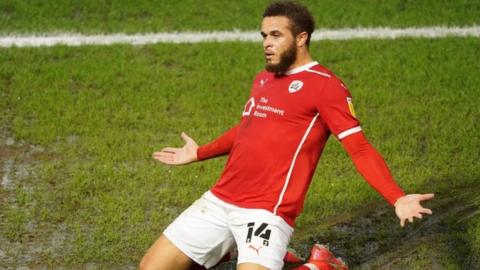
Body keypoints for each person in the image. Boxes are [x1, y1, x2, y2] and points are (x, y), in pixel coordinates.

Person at [140, 1, 434, 270]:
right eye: (264, 36)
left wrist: (397, 198)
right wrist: (199, 152)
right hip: (220, 200)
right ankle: (242, 250)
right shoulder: (264, 78)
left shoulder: (326, 86)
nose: (267, 43)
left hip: (267, 211)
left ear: (301, 38)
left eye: (276, 35)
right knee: (150, 267)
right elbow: (248, 128)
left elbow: (359, 149)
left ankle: (321, 266)